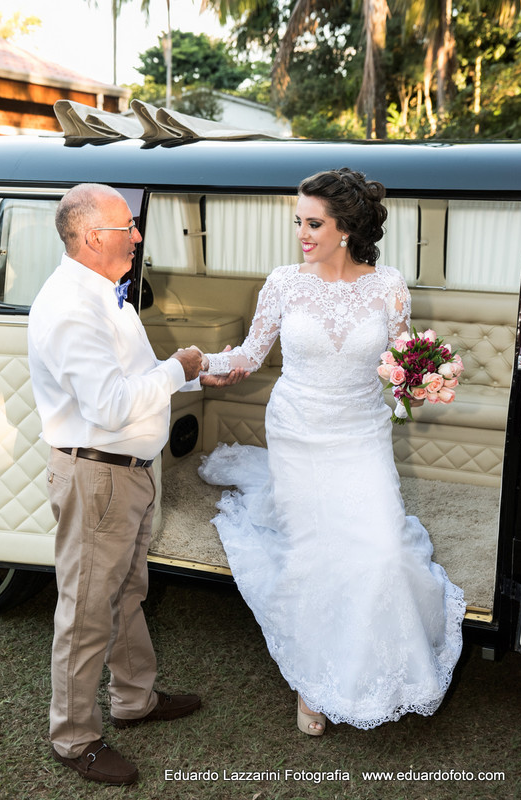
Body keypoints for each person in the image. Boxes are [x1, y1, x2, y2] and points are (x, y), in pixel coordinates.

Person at [198, 168, 466, 735]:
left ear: (346, 228)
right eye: (298, 221)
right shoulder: (283, 282)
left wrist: (423, 377)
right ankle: (311, 681)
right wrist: (198, 368)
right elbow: (250, 353)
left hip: (361, 433)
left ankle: (383, 661)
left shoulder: (389, 285)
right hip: (297, 429)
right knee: (314, 557)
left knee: (382, 554)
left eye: (313, 223)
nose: (302, 232)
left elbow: (399, 360)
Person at [27, 183, 245, 785]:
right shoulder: (71, 307)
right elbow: (109, 404)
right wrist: (182, 366)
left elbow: (138, 377)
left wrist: (198, 380)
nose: (138, 235)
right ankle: (74, 739)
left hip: (128, 472)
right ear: (95, 237)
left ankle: (134, 700)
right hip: (98, 475)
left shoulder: (105, 294)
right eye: (129, 226)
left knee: (125, 592)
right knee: (86, 611)